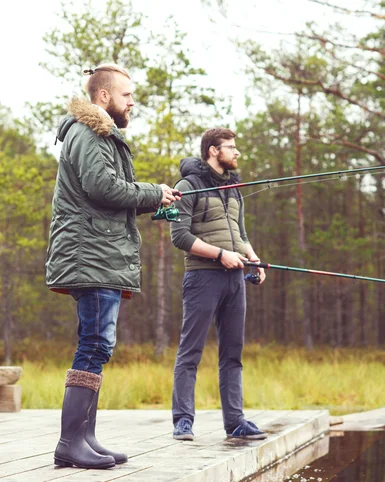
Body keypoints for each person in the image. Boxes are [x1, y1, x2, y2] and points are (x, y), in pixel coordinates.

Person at [45, 64, 180, 469]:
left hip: (97, 253)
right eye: (127, 95)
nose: (132, 102)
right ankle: (71, 442)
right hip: (92, 255)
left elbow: (107, 199)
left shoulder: (99, 135)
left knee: (97, 345)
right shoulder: (91, 133)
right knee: (94, 345)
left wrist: (153, 198)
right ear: (103, 97)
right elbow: (103, 189)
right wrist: (153, 192)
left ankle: (83, 438)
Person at [170, 127, 267, 441]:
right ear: (213, 150)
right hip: (202, 277)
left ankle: (235, 422)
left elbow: (240, 234)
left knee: (232, 354)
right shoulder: (187, 186)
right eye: (231, 147)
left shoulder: (234, 188)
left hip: (235, 279)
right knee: (191, 351)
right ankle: (183, 422)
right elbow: (180, 237)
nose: (237, 152)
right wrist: (221, 254)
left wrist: (252, 258)